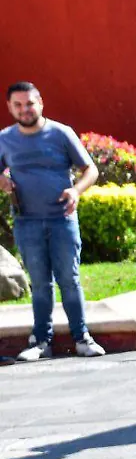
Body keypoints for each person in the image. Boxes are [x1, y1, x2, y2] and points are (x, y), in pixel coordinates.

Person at [0, 81, 104, 362]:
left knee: (69, 279)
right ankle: (41, 342)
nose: (25, 109)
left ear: (40, 103)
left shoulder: (61, 133)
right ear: (10, 107)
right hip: (27, 222)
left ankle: (82, 338)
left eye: (30, 103)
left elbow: (90, 170)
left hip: (62, 219)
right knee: (40, 283)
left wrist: (76, 191)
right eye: (18, 105)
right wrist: (2, 180)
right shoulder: (5, 139)